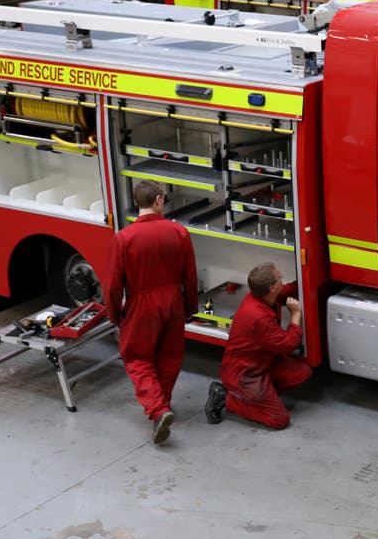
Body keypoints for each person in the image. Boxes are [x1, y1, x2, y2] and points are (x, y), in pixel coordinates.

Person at [105, 180, 198, 445]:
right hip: (173, 301)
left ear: (138, 202)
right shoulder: (179, 232)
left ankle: (158, 409)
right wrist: (189, 308)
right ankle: (163, 406)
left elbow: (112, 283)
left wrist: (115, 314)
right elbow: (190, 277)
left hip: (142, 303)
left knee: (137, 357)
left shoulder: (124, 238)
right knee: (169, 357)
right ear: (158, 200)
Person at [205, 262, 312, 429]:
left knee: (301, 373)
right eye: (280, 278)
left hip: (262, 362)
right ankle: (227, 397)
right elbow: (289, 344)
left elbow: (288, 290)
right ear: (272, 288)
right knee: (279, 419)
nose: (282, 278)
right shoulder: (259, 318)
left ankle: (260, 397)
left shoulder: (262, 295)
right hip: (245, 374)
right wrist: (296, 315)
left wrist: (310, 273)